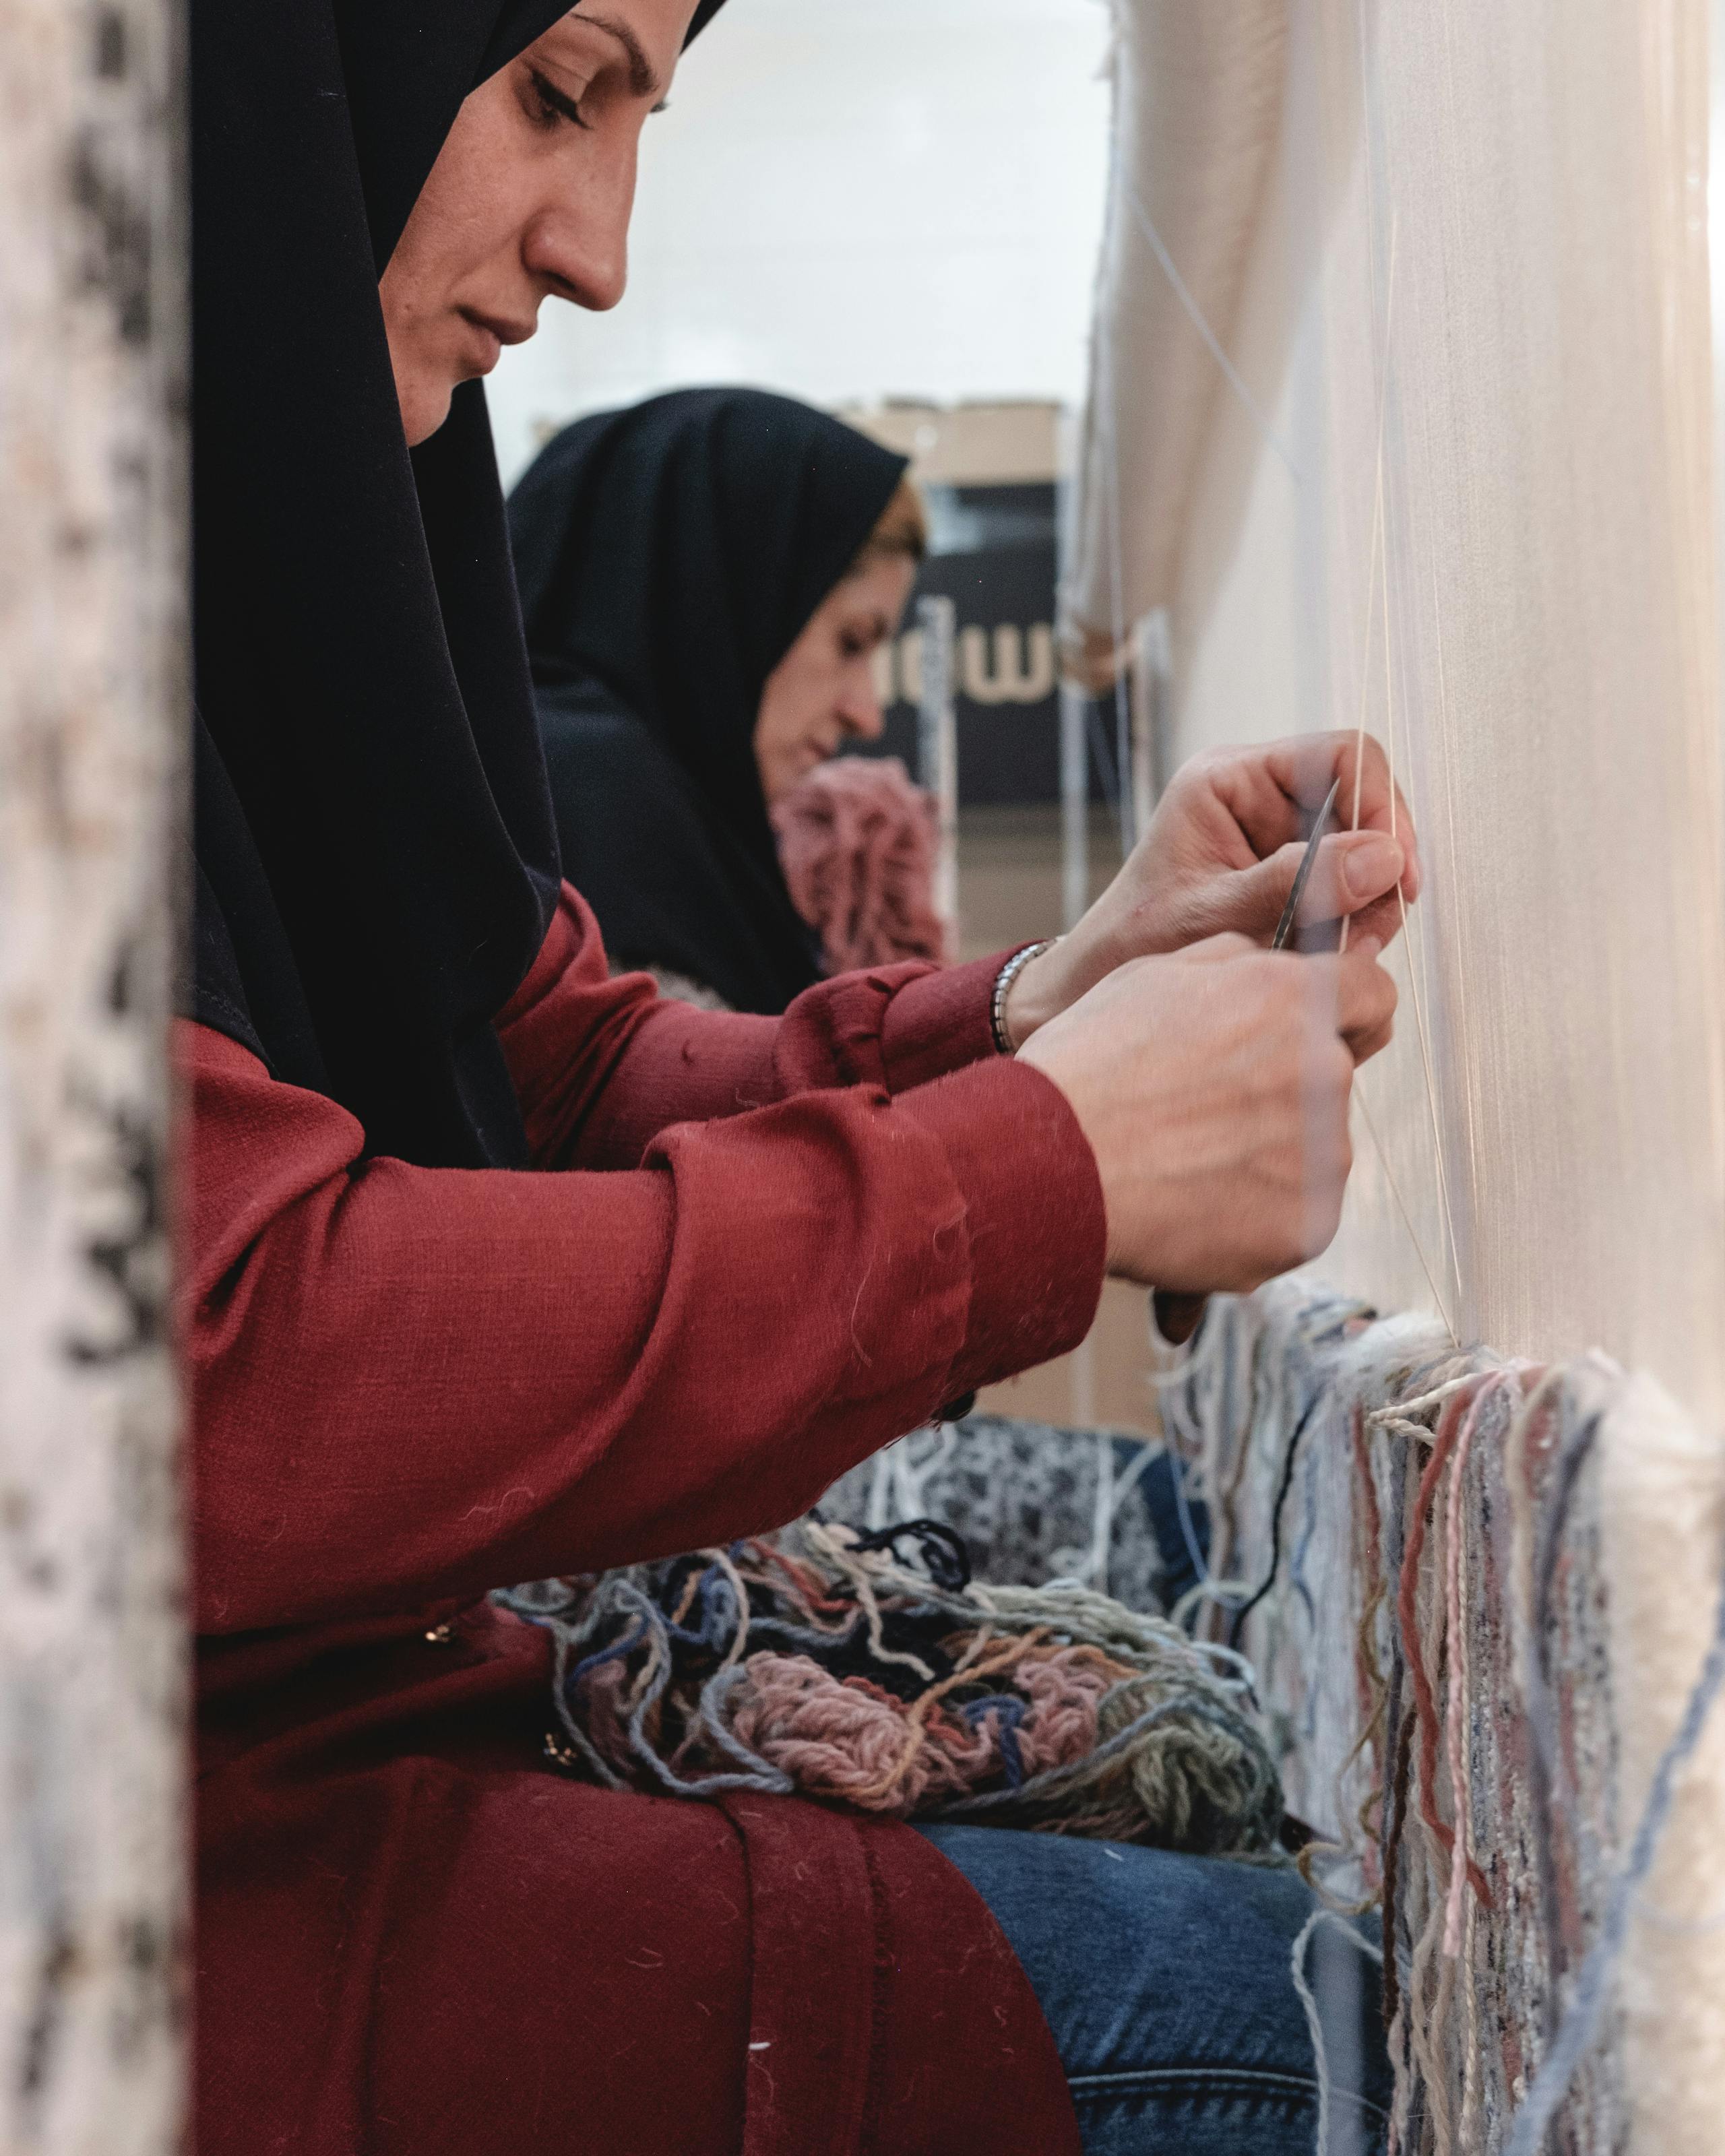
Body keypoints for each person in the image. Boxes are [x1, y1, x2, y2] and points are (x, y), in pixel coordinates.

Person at [187, 2, 1420, 2152]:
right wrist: (1037, 1168)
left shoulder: (278, 610)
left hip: (337, 1715)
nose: (600, 253)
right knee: (1311, 2016)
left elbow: (549, 1068)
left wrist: (1048, 998)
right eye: (561, 89)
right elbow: (223, 1368)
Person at [507, 386, 932, 1011]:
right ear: (723, 602)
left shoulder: (537, 777)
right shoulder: (598, 801)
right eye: (850, 642)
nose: (865, 714)